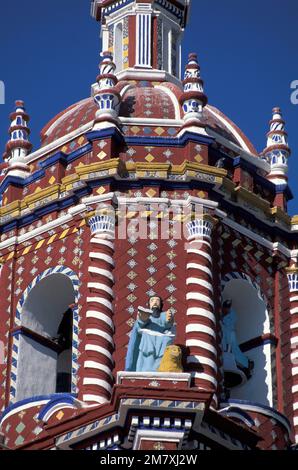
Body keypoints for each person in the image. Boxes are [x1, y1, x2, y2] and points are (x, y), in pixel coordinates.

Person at [125, 296, 175, 372]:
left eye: (157, 300)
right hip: (148, 342)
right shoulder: (146, 316)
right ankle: (145, 368)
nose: (155, 302)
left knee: (164, 344)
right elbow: (138, 327)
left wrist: (169, 320)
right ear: (148, 304)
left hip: (161, 342)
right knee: (147, 344)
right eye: (152, 300)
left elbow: (168, 324)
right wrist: (142, 319)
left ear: (161, 304)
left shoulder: (163, 315)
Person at [221, 300, 254, 379]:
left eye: (228, 308)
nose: (227, 309)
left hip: (229, 334)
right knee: (229, 350)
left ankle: (246, 365)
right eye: (226, 307)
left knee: (234, 350)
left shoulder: (231, 315)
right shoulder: (226, 315)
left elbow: (229, 323)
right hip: (226, 335)